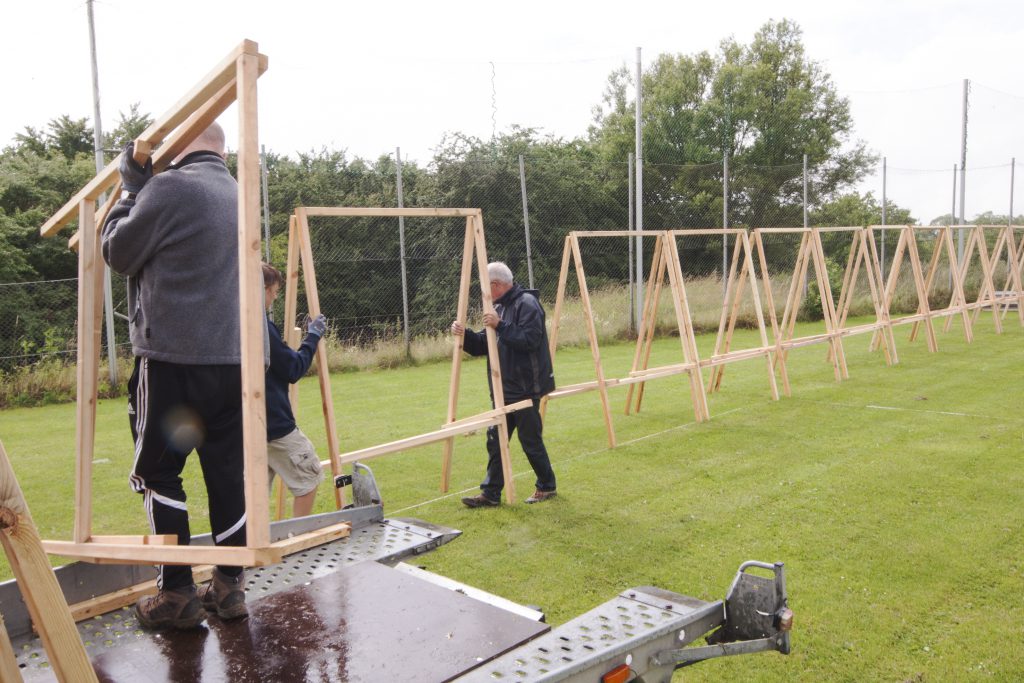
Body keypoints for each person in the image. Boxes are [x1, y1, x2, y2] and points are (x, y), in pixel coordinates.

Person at [101, 122, 254, 629]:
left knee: (159, 472)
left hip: (172, 361)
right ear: (221, 150)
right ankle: (230, 587)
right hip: (233, 362)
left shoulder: (168, 186)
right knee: (227, 471)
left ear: (178, 147)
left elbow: (118, 251)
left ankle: (178, 595)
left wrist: (131, 187)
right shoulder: (239, 193)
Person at [450, 262, 558, 507]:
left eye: (486, 287)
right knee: (496, 440)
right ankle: (490, 494)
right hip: (503, 389)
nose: (484, 293)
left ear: (496, 285)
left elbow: (529, 340)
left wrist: (500, 324)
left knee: (530, 440)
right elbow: (483, 344)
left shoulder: (527, 305)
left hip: (526, 388)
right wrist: (464, 334)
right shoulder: (499, 307)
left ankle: (547, 486)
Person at [261, 263, 327, 518]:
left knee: (253, 494)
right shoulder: (261, 326)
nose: (275, 296)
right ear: (263, 289)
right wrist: (313, 336)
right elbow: (293, 368)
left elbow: (278, 360)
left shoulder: (234, 320)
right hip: (275, 424)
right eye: (273, 291)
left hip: (249, 427)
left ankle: (254, 545)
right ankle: (297, 539)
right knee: (308, 477)